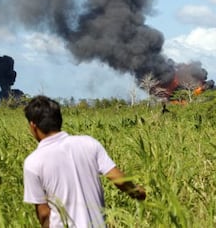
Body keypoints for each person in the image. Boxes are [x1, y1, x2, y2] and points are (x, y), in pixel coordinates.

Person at [23, 95, 146, 228]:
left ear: (33, 126)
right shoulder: (89, 143)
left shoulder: (33, 162)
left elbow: (44, 213)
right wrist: (138, 192)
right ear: (59, 119)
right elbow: (118, 179)